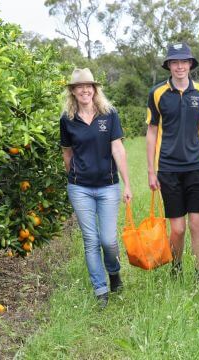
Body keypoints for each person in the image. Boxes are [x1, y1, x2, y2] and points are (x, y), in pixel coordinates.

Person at [145, 42, 199, 284]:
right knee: (177, 228)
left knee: (197, 224)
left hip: (197, 167)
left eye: (183, 61)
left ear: (190, 64)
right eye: (174, 62)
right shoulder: (157, 94)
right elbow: (151, 132)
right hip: (168, 168)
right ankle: (176, 268)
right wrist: (151, 170)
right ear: (169, 65)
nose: (179, 66)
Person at [60, 68, 132, 308]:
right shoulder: (67, 119)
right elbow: (67, 153)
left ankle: (114, 272)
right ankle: (100, 290)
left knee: (109, 241)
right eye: (79, 87)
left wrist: (127, 184)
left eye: (88, 86)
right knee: (91, 240)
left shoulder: (109, 115)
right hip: (80, 188)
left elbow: (118, 149)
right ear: (73, 91)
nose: (84, 90)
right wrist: (75, 177)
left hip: (108, 187)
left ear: (95, 89)